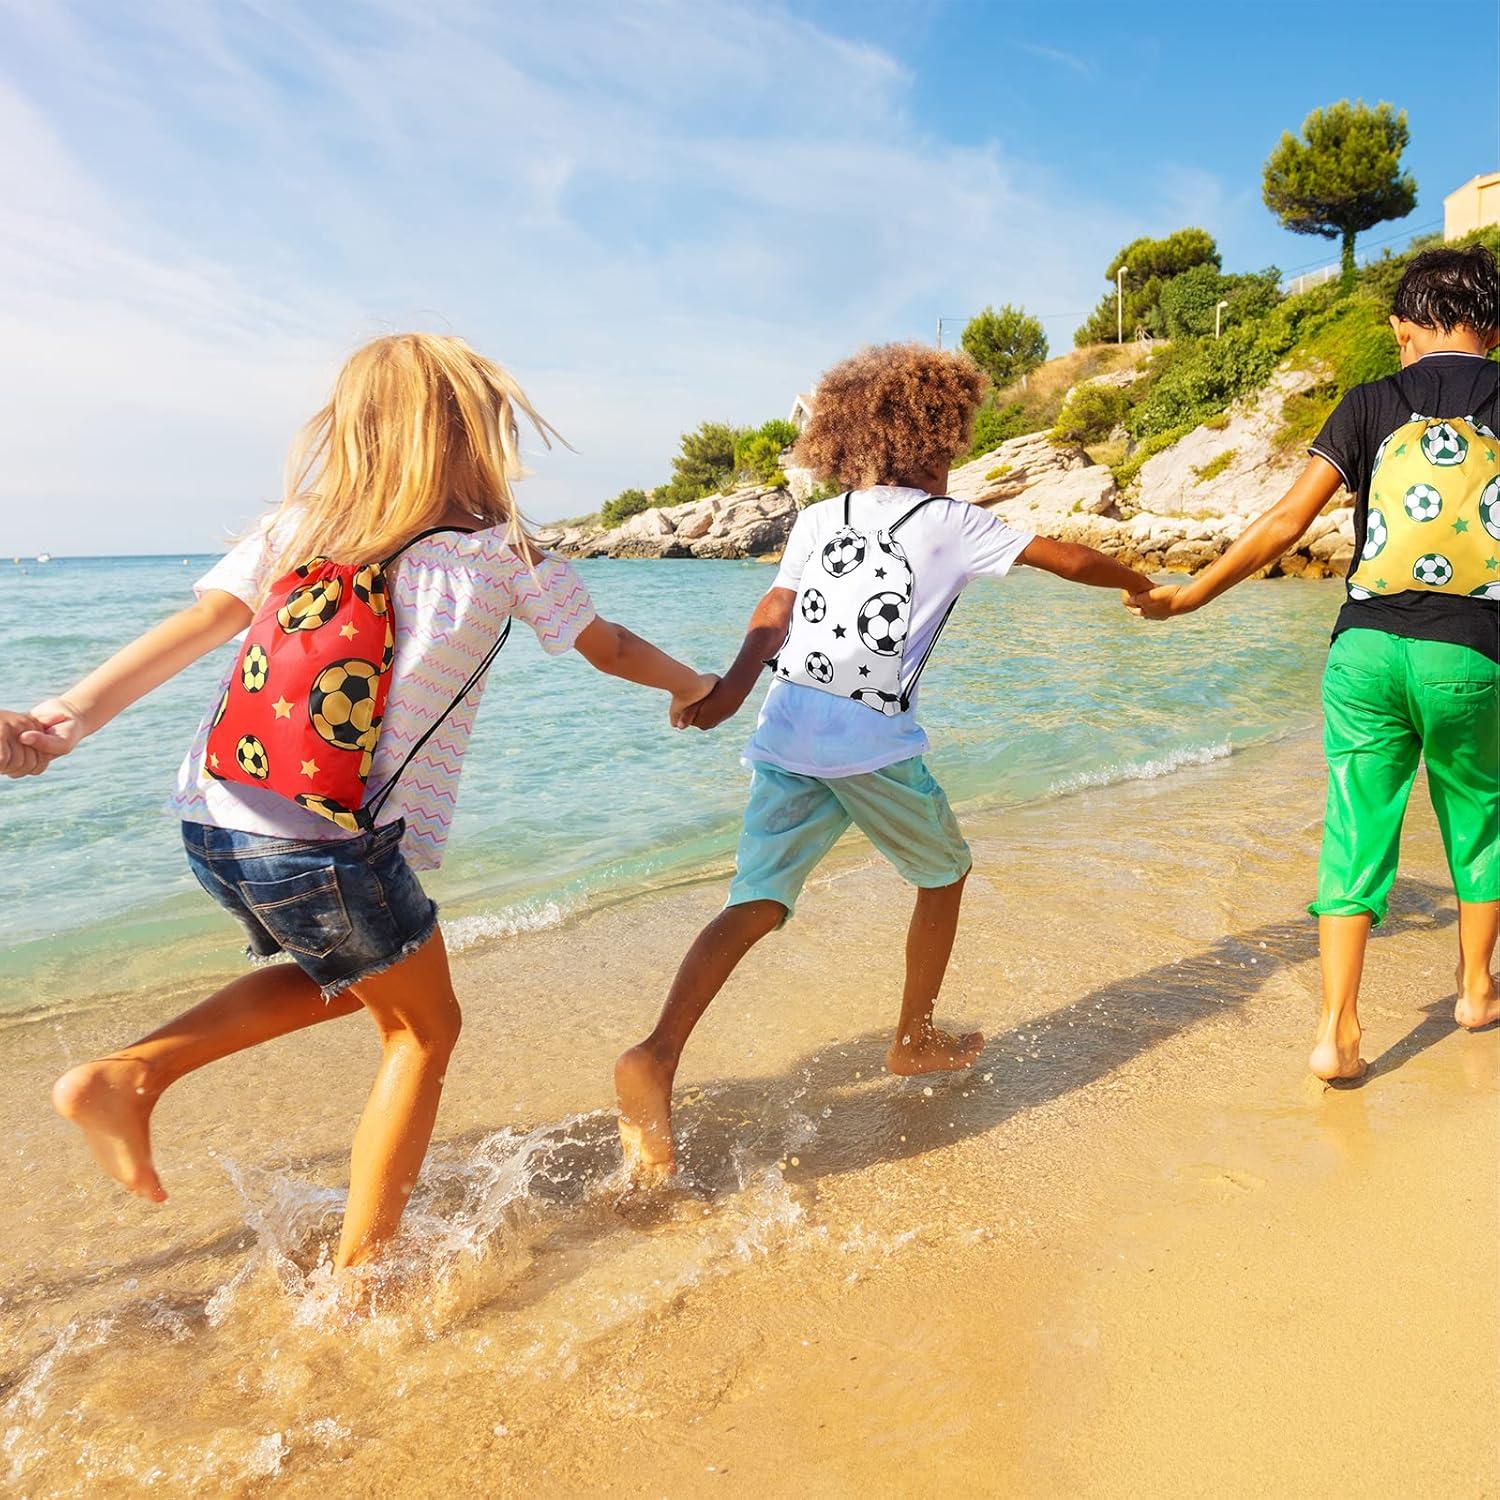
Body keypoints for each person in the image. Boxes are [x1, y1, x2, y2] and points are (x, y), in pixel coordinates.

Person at [7, 333, 715, 1272]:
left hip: (216, 821)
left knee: (349, 979)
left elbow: (197, 626)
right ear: (476, 435)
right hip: (330, 846)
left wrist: (63, 718)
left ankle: (134, 1076)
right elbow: (609, 646)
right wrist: (693, 684)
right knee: (424, 1028)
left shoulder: (296, 528)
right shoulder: (500, 554)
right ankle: (357, 1276)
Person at [614, 341, 1156, 1175]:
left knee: (754, 900)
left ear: (845, 439)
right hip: (873, 746)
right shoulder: (952, 521)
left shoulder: (819, 517)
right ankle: (913, 1037)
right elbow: (1063, 556)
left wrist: (726, 692)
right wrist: (1136, 584)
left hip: (787, 732)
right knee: (942, 872)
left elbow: (774, 610)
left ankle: (656, 1052)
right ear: (938, 436)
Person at [1128, 244, 1500, 1079]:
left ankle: (1336, 1031)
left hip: (1364, 649)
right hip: (1474, 654)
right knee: (1480, 818)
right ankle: (1476, 991)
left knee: (1355, 832)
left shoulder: (1370, 402)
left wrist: (1191, 594)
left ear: (1403, 327)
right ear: (1496, 330)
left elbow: (1285, 523)